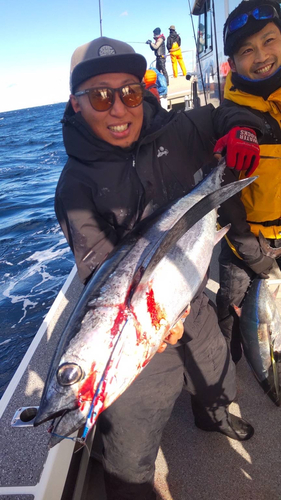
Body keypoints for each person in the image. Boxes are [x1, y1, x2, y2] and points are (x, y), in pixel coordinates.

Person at [55, 36, 255, 500]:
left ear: (143, 92)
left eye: (128, 92)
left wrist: (241, 129)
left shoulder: (180, 129)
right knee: (129, 452)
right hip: (140, 330)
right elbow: (103, 274)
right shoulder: (75, 186)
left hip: (195, 298)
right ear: (77, 104)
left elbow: (225, 112)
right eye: (101, 96)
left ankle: (214, 416)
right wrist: (155, 322)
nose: (119, 108)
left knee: (219, 377)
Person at [213, 0, 281, 364]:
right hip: (247, 242)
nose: (262, 56)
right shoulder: (232, 120)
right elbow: (224, 200)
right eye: (247, 50)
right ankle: (225, 367)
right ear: (233, 64)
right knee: (232, 301)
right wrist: (254, 256)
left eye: (270, 40)